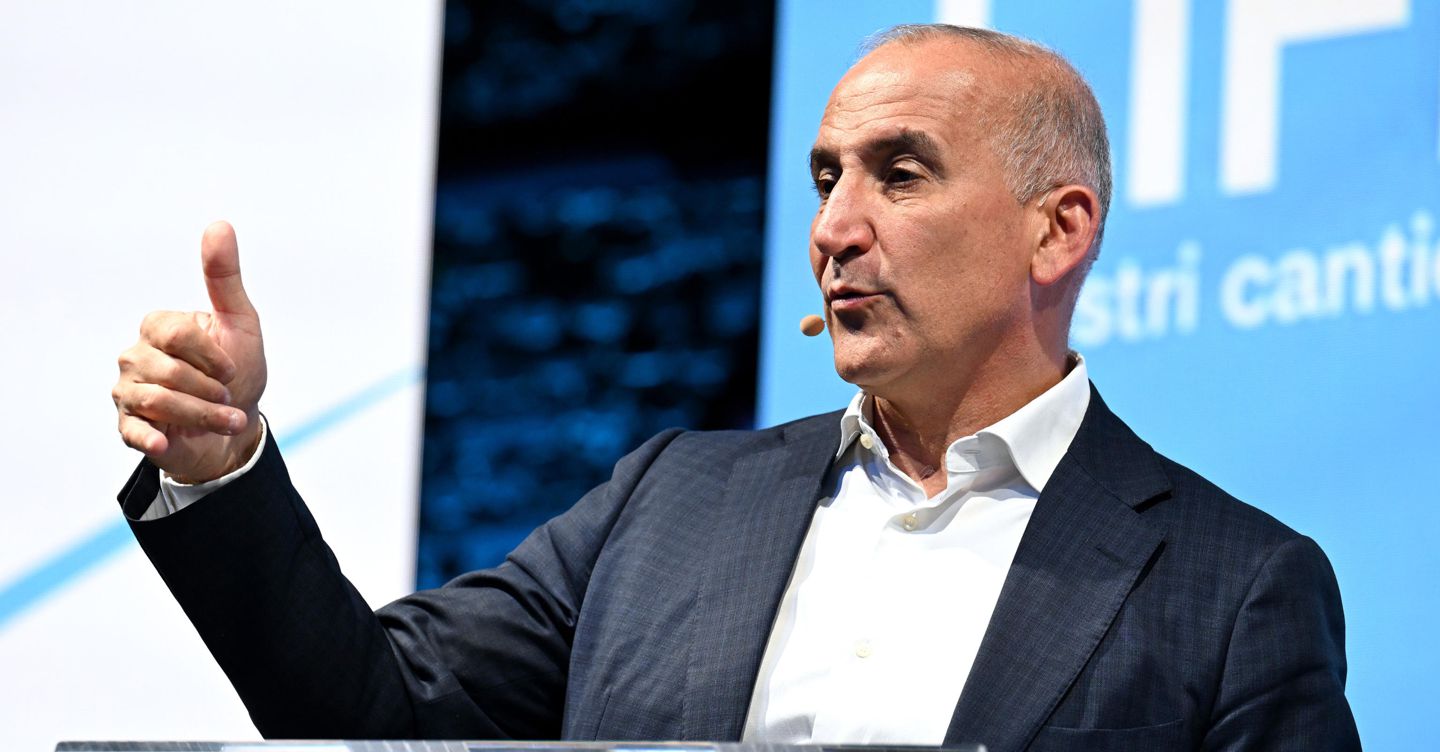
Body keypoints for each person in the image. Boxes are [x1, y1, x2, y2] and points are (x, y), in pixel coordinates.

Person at [111, 24, 1360, 751]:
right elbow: (378, 709)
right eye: (826, 177)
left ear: (1058, 229)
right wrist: (222, 464)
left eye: (901, 174)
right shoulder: (670, 500)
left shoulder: (1236, 590)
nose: (835, 227)